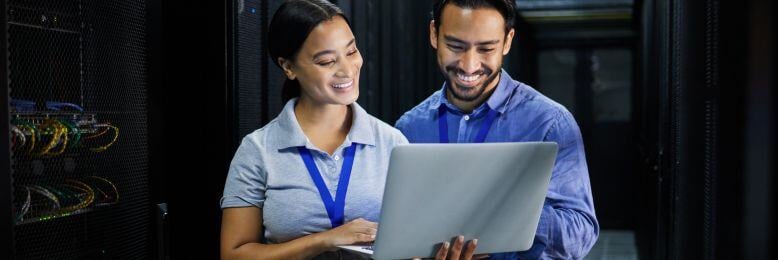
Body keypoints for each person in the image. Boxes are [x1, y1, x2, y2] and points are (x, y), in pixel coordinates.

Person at [395, 0, 600, 259]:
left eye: (486, 49)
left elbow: (581, 234)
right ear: (434, 34)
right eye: (456, 46)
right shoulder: (409, 128)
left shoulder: (551, 124)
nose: (469, 66)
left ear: (507, 41)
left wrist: (507, 207)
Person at [219, 0, 408, 259]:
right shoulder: (257, 150)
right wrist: (324, 240)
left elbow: (411, 242)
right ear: (288, 67)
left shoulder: (392, 142)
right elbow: (233, 254)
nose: (347, 69)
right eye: (327, 61)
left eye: (351, 52)